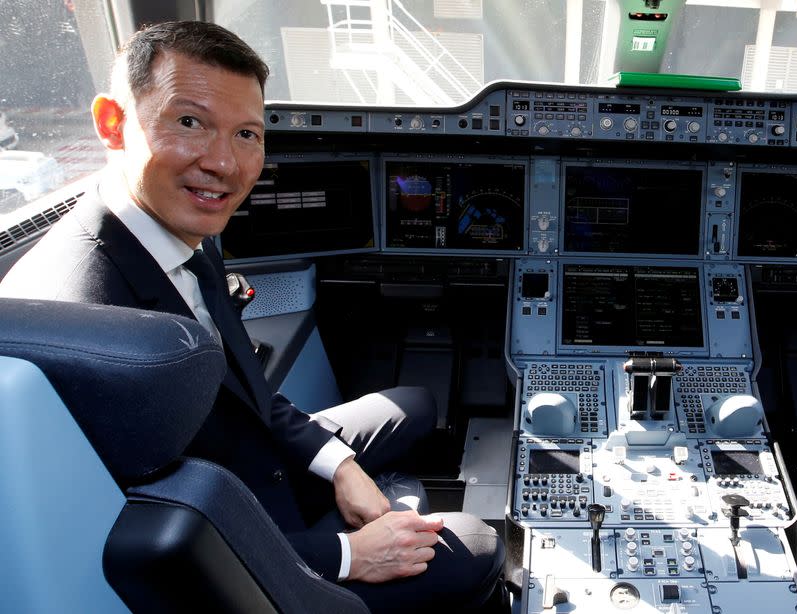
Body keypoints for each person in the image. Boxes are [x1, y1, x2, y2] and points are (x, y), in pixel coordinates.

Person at [0, 20, 504, 612]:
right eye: (190, 122)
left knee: (415, 404)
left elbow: (248, 390)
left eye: (246, 134)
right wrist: (350, 554)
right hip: (237, 544)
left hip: (246, 455)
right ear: (113, 122)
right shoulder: (88, 323)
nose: (226, 164)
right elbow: (154, 539)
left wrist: (342, 468)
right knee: (478, 544)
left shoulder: (182, 234)